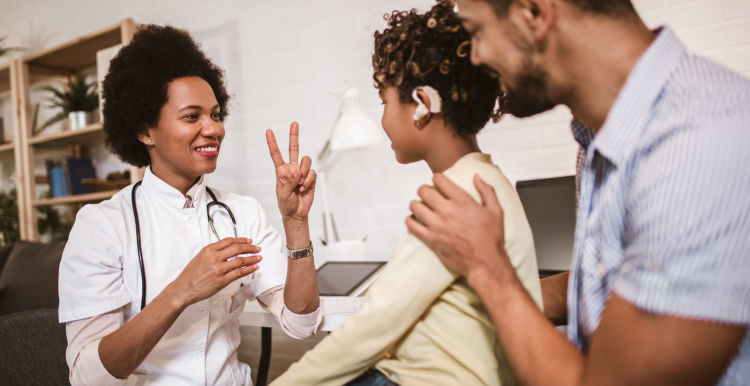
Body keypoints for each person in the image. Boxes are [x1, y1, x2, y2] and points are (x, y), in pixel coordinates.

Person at [407, 0, 750, 385]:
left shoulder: (698, 148)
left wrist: (489, 267)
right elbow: (616, 280)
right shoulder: (600, 136)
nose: (477, 56)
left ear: (533, 13)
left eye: (478, 33)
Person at [271, 2, 541, 385]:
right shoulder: (485, 180)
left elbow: (370, 329)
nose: (382, 117)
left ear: (422, 105)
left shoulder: (458, 200)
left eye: (384, 101)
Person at [58, 25, 322, 385]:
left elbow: (301, 323)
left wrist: (295, 223)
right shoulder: (103, 225)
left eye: (215, 114)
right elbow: (89, 376)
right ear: (144, 129)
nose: (213, 129)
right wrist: (182, 291)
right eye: (191, 116)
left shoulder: (242, 212)